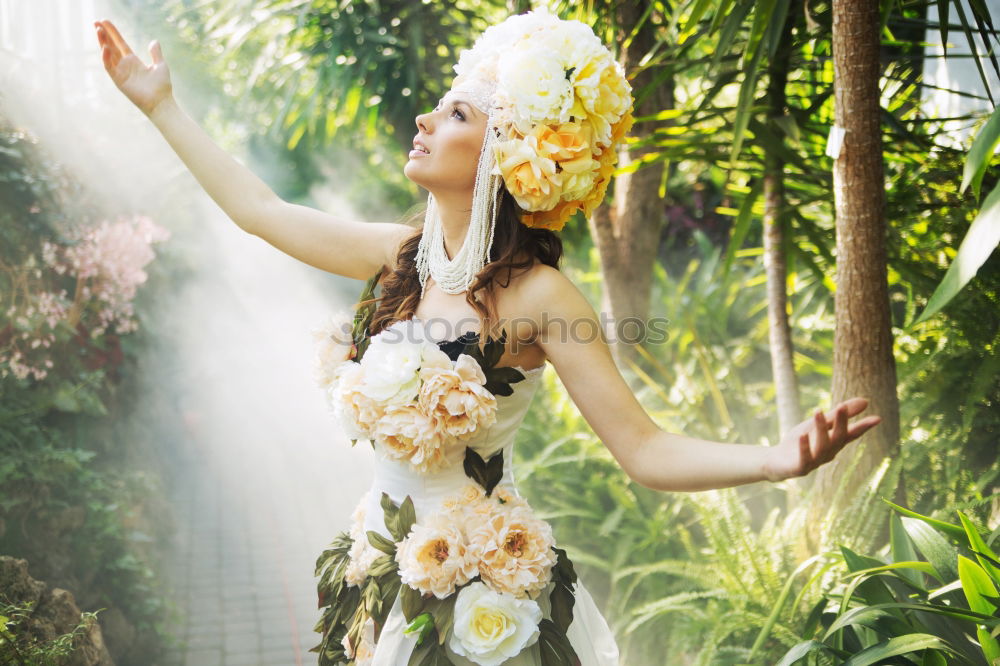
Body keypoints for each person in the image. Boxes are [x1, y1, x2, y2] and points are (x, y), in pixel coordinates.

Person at [94, 9, 882, 666]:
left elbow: (644, 449)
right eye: (439, 108)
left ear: (505, 155)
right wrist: (160, 105)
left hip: (485, 590)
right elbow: (261, 213)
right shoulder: (401, 259)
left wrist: (777, 461)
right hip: (386, 563)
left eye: (457, 114)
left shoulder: (540, 297)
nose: (425, 120)